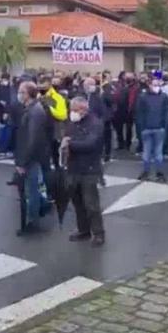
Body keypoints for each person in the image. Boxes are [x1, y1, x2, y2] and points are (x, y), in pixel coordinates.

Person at [63, 96, 106, 246]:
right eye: (71, 110)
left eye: (74, 110)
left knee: (91, 204)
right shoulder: (72, 123)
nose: (71, 113)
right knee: (78, 203)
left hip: (90, 169)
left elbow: (90, 144)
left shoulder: (95, 123)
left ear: (83, 109)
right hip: (74, 168)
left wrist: (70, 144)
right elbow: (66, 136)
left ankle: (99, 233)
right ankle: (83, 230)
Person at [14, 81, 52, 234]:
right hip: (31, 156)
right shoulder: (30, 109)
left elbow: (32, 139)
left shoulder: (35, 111)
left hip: (32, 158)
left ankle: (33, 222)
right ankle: (38, 212)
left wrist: (23, 162)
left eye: (21, 92)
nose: (19, 95)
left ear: (28, 94)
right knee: (32, 188)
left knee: (32, 190)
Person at [135, 78, 168, 182]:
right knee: (150, 152)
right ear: (149, 85)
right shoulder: (161, 97)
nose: (156, 86)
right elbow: (139, 113)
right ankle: (154, 172)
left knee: (155, 152)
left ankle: (152, 171)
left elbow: (167, 112)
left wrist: (164, 125)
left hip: (156, 128)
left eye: (157, 84)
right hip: (151, 128)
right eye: (154, 84)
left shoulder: (144, 97)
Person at [114, 73, 139, 151]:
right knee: (119, 128)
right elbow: (116, 96)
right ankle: (121, 144)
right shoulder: (120, 85)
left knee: (128, 128)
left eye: (129, 78)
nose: (127, 79)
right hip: (119, 110)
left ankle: (128, 144)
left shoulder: (134, 87)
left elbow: (133, 99)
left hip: (129, 111)